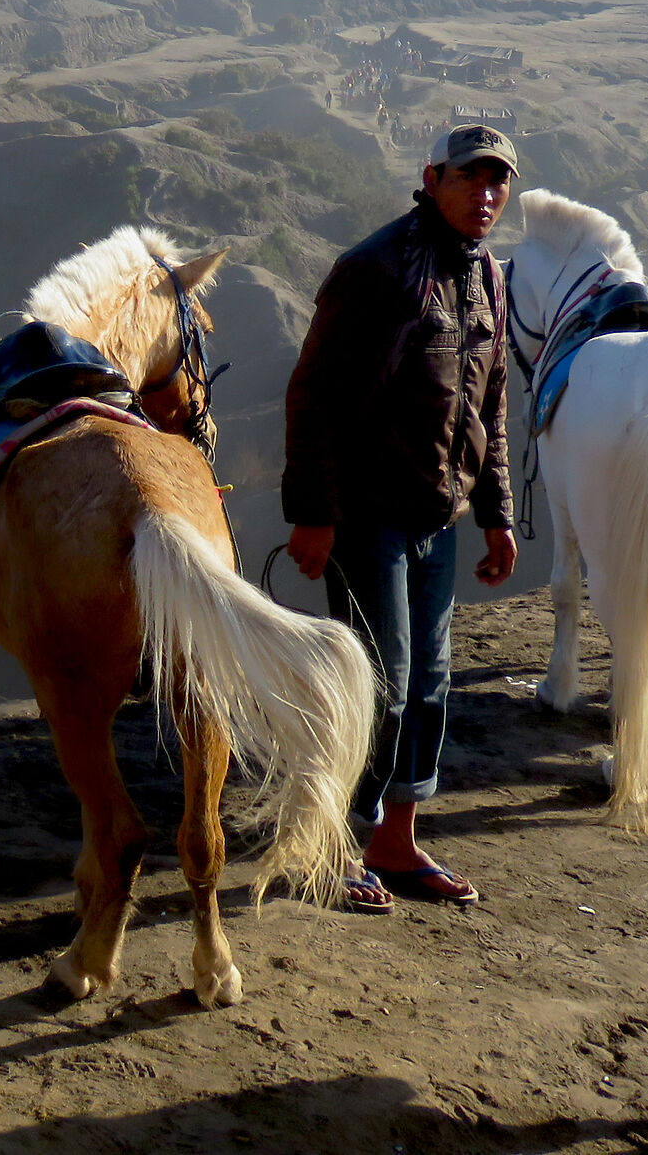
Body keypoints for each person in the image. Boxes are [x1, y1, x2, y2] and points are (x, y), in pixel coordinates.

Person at [282, 123, 521, 912]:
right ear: (432, 178)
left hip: (436, 518)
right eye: (471, 178)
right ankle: (332, 842)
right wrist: (313, 515)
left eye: (498, 181)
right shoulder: (373, 269)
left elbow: (490, 403)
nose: (485, 194)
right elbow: (311, 398)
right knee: (377, 686)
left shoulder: (486, 272)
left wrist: (497, 513)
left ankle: (395, 839)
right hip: (366, 516)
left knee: (428, 686)